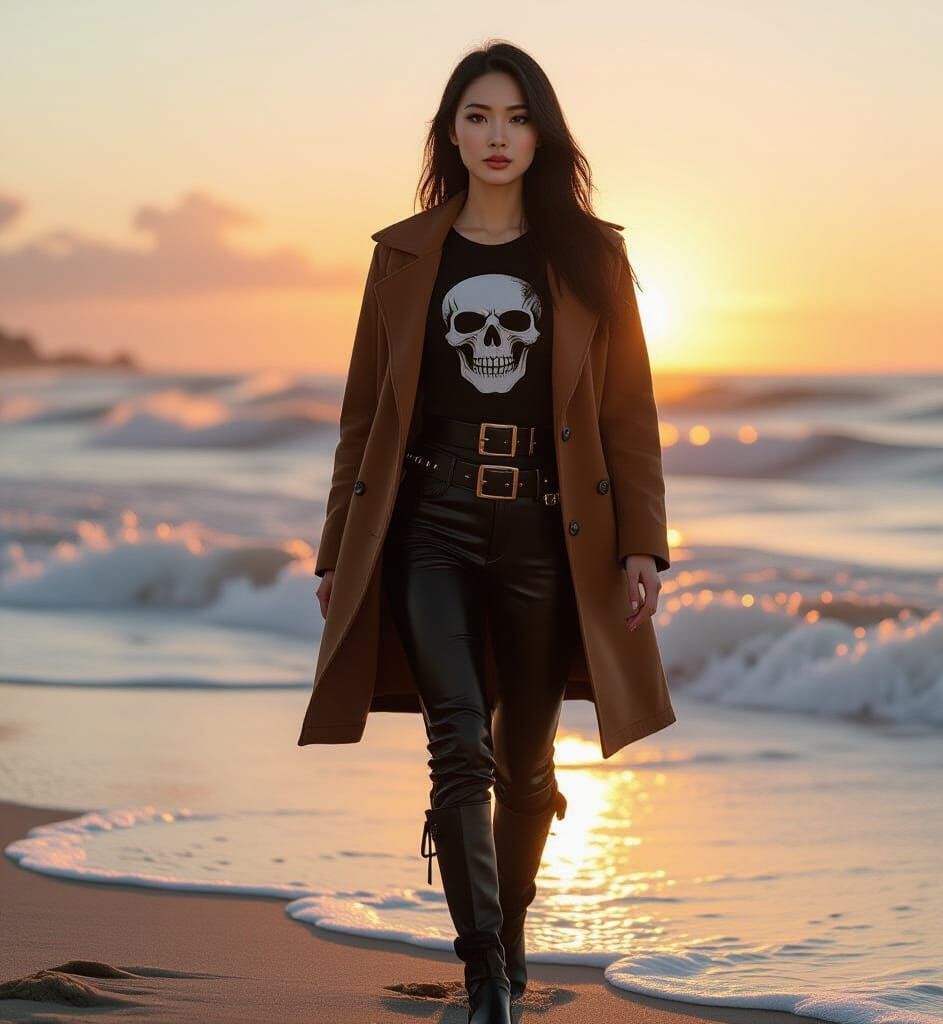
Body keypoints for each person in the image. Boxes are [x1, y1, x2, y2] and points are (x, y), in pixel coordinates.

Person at [314, 41, 666, 1024]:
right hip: (430, 522)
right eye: (477, 115)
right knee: (458, 745)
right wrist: (340, 550)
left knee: (527, 763)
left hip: (554, 534)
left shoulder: (593, 256)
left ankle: (507, 937)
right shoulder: (403, 255)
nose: (497, 135)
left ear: (540, 130)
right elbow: (361, 416)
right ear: (451, 131)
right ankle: (484, 980)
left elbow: (630, 412)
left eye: (515, 116)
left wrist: (641, 543)